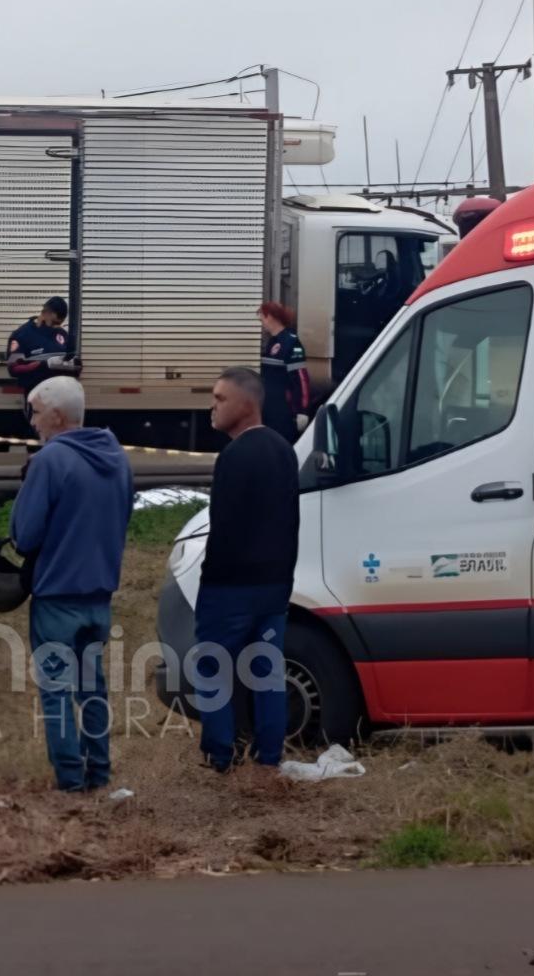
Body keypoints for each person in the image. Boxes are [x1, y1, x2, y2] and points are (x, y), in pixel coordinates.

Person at [9, 376, 133, 792]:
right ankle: (99, 773)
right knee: (92, 687)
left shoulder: (49, 462)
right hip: (99, 594)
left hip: (57, 596)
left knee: (57, 692)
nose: (33, 421)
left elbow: (24, 537)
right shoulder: (116, 459)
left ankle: (69, 781)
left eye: (36, 411)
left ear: (57, 416)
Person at [193, 367, 299, 773]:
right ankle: (269, 757)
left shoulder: (235, 456)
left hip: (230, 588)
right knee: (267, 670)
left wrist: (210, 580)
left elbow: (225, 527)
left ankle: (220, 756)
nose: (212, 407)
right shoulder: (283, 450)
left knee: (213, 668)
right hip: (274, 586)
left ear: (248, 403)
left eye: (220, 399)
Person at [6, 296, 77, 411]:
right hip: (36, 398)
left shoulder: (62, 334)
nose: (58, 327)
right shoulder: (22, 335)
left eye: (60, 323)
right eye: (54, 323)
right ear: (46, 313)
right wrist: (40, 365)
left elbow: (72, 361)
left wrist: (75, 366)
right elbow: (13, 369)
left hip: (61, 399)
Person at [257, 301, 310, 442]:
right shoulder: (272, 342)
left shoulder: (291, 343)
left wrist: (302, 411)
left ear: (271, 317)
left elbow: (301, 380)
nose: (261, 321)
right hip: (270, 409)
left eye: (262, 317)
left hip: (284, 411)